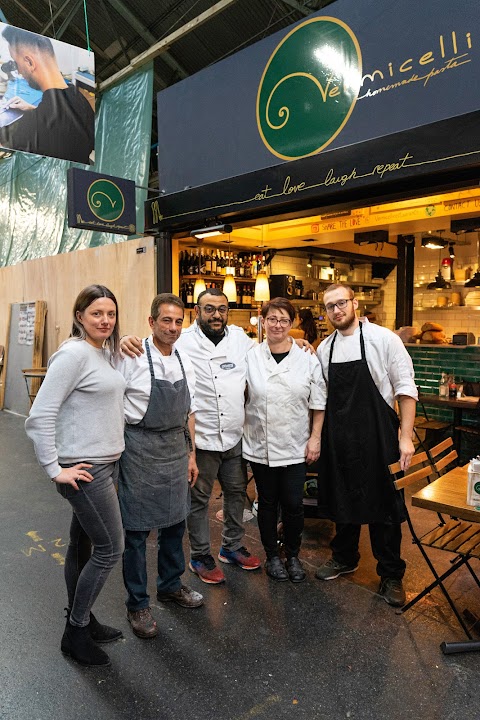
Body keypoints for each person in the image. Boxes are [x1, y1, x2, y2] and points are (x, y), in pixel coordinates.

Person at [25, 285, 126, 667]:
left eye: (111, 314)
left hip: (102, 464)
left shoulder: (101, 353)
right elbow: (40, 416)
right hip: (86, 472)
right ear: (79, 315)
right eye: (97, 313)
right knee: (109, 549)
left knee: (82, 546)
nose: (105, 320)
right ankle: (76, 632)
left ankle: (82, 617)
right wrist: (55, 469)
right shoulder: (73, 355)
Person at [314, 284, 417, 607]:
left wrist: (405, 436)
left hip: (379, 435)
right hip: (340, 437)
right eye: (330, 306)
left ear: (354, 303)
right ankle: (344, 557)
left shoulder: (384, 339)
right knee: (342, 497)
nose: (336, 310)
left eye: (341, 303)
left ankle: (391, 574)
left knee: (384, 505)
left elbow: (406, 389)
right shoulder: (324, 348)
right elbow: (320, 395)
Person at [115, 293, 203, 639]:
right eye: (166, 320)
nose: (173, 327)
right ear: (151, 322)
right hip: (138, 448)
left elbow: (189, 412)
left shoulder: (185, 360)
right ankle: (137, 603)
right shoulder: (133, 355)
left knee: (175, 524)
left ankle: (170, 585)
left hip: (174, 448)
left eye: (179, 321)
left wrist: (191, 454)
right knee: (135, 532)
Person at [243, 298, 325, 582]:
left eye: (284, 320)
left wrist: (315, 438)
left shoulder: (307, 357)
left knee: (293, 503)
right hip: (260, 443)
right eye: (272, 319)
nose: (277, 325)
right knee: (266, 502)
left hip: (294, 444)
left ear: (292, 325)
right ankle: (271, 557)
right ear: (263, 321)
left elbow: (319, 401)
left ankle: (292, 555)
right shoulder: (250, 355)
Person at [0, 26, 94, 163]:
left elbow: (6, 137)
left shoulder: (32, 126)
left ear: (30, 62)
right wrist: (32, 108)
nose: (19, 71)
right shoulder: (79, 98)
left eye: (16, 63)